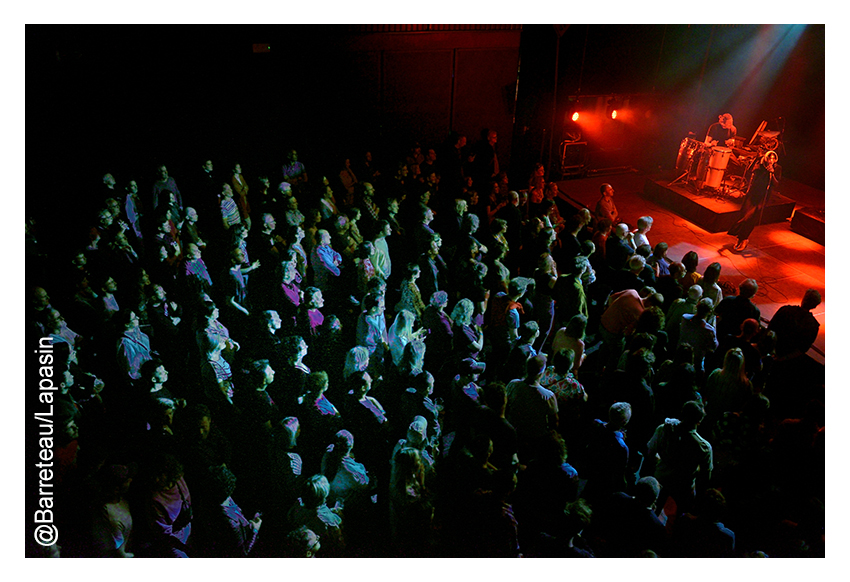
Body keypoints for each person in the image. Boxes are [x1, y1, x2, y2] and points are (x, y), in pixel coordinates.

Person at [728, 150, 781, 251]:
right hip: (752, 194)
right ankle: (740, 238)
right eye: (769, 158)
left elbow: (776, 184)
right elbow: (750, 172)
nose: (771, 160)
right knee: (744, 215)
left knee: (751, 217)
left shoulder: (777, 168)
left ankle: (744, 239)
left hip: (762, 197)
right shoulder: (760, 165)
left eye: (773, 159)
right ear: (766, 158)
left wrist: (772, 173)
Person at [767, 288, 822, 361]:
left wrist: (771, 350)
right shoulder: (814, 326)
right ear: (815, 306)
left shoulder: (785, 310)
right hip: (787, 361)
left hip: (769, 349)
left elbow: (770, 328)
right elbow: (802, 349)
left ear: (803, 298)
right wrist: (784, 358)